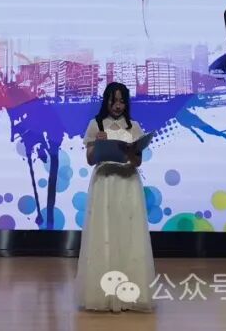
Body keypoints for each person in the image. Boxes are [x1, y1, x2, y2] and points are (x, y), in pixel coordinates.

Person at [76, 82, 156, 313]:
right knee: (104, 232)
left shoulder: (134, 126)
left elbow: (137, 162)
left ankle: (130, 293)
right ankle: (102, 294)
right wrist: (98, 144)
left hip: (127, 182)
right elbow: (90, 159)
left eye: (122, 101)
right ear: (107, 101)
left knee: (129, 234)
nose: (118, 106)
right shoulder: (96, 124)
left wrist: (131, 151)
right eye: (114, 101)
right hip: (105, 182)